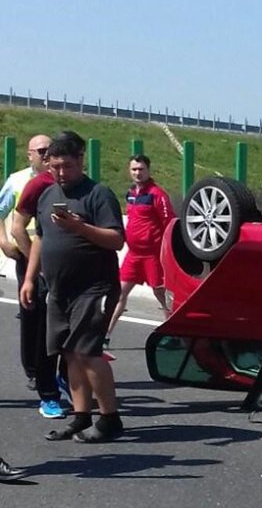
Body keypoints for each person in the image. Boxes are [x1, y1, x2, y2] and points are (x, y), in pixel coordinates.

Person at [19, 131, 126, 443]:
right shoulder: (47, 194)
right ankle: (81, 416)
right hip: (59, 290)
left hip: (94, 288)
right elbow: (40, 236)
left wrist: (78, 226)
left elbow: (116, 240)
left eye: (67, 166)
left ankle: (110, 419)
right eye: (54, 167)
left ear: (81, 160)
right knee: (69, 353)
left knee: (88, 352)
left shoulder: (98, 194)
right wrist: (29, 278)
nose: (61, 173)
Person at [0, 134, 67, 419]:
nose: (45, 154)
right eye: (40, 150)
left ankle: (60, 375)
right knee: (34, 320)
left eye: (48, 150)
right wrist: (3, 241)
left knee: (62, 323)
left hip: (60, 262)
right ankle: (37, 374)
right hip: (27, 256)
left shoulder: (64, 182)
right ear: (30, 154)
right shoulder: (18, 181)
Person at [106, 154, 174, 345]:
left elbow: (169, 223)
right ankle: (105, 336)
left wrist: (167, 253)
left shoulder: (157, 195)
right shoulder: (130, 194)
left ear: (148, 170)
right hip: (133, 255)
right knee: (119, 293)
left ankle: (173, 333)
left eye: (141, 169)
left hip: (153, 255)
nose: (137, 173)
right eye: (134, 169)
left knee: (161, 295)